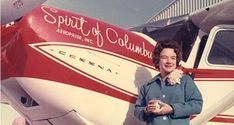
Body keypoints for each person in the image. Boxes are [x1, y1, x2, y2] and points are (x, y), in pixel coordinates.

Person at [134, 40, 203, 125]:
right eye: (164, 57)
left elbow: (197, 105)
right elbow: (137, 111)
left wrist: (172, 109)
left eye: (173, 58)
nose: (169, 61)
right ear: (158, 59)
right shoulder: (147, 87)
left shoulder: (185, 81)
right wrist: (147, 109)